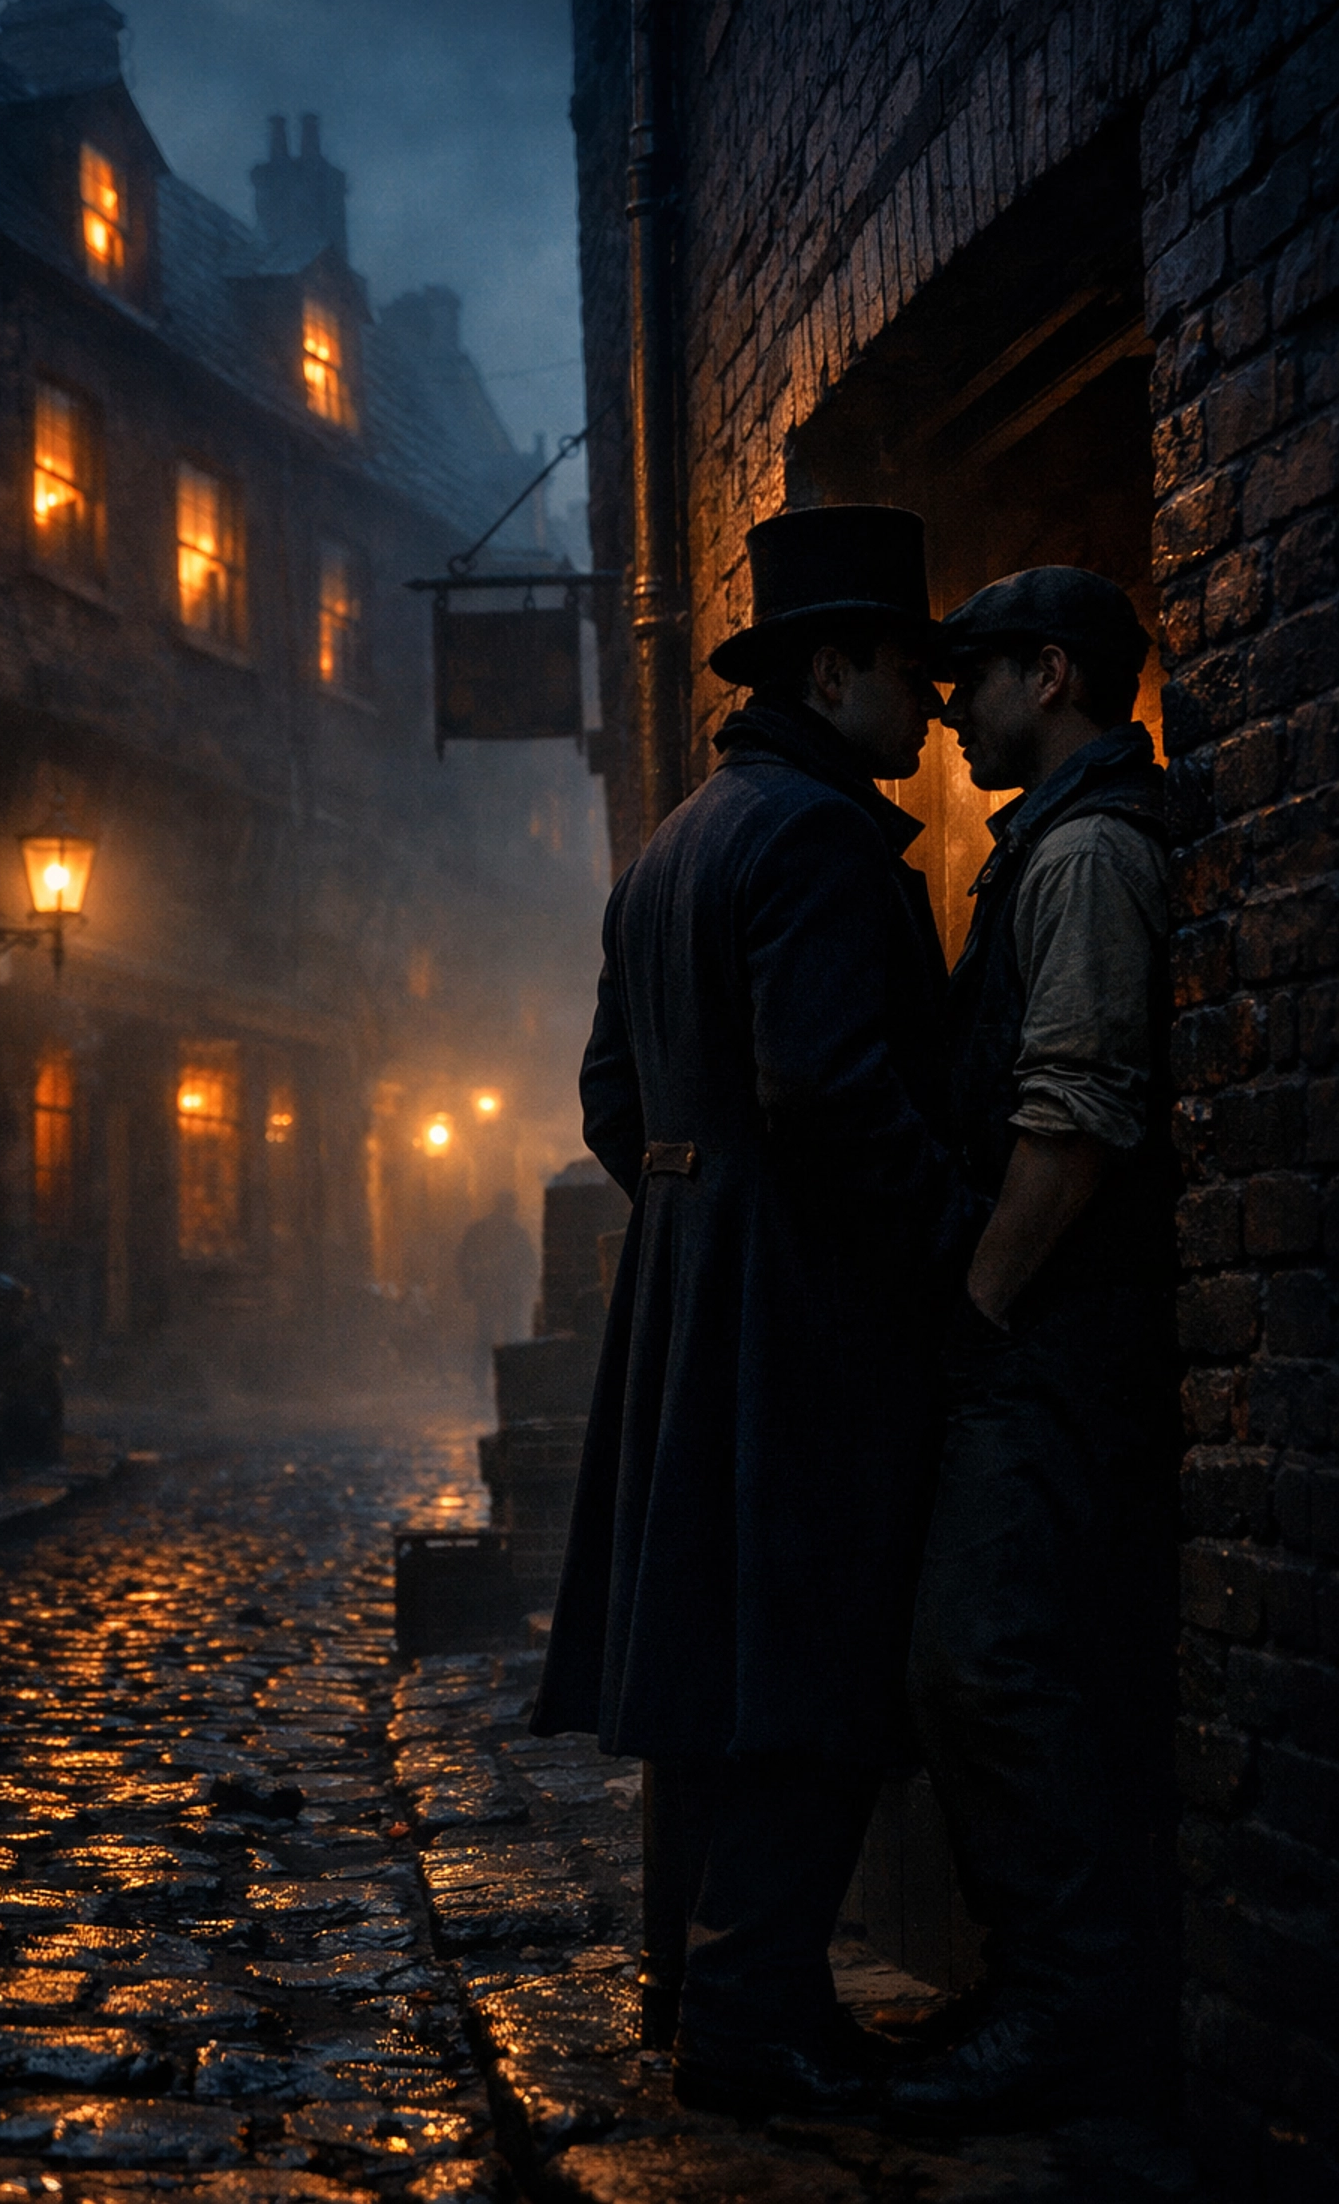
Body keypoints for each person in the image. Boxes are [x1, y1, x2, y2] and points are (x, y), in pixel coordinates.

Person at [531, 505, 979, 2120]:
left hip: (693, 1298)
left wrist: (695, 1215)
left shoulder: (671, 842)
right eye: (912, 671)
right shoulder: (816, 835)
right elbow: (832, 1091)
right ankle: (744, 2019)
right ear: (836, 663)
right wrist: (961, 1247)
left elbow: (606, 1098)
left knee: (715, 1651)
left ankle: (703, 1983)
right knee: (805, 1643)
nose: (929, 705)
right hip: (799, 1311)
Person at [885, 568, 1180, 2131]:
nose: (951, 705)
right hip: (1048, 1337)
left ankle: (1073, 2016)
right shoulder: (1053, 850)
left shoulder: (1083, 859)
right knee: (1011, 1660)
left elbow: (1070, 1126)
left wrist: (980, 1314)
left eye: (976, 679)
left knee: (986, 1660)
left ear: (1050, 673)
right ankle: (1046, 1998)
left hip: (1056, 1342)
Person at [456, 1190, 537, 1395]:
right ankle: (507, 1382)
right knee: (507, 1337)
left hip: (492, 1292)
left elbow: (462, 1259)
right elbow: (530, 1263)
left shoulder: (481, 1230)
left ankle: (483, 1382)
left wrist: (469, 1288)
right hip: (503, 1292)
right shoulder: (514, 1231)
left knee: (488, 1337)